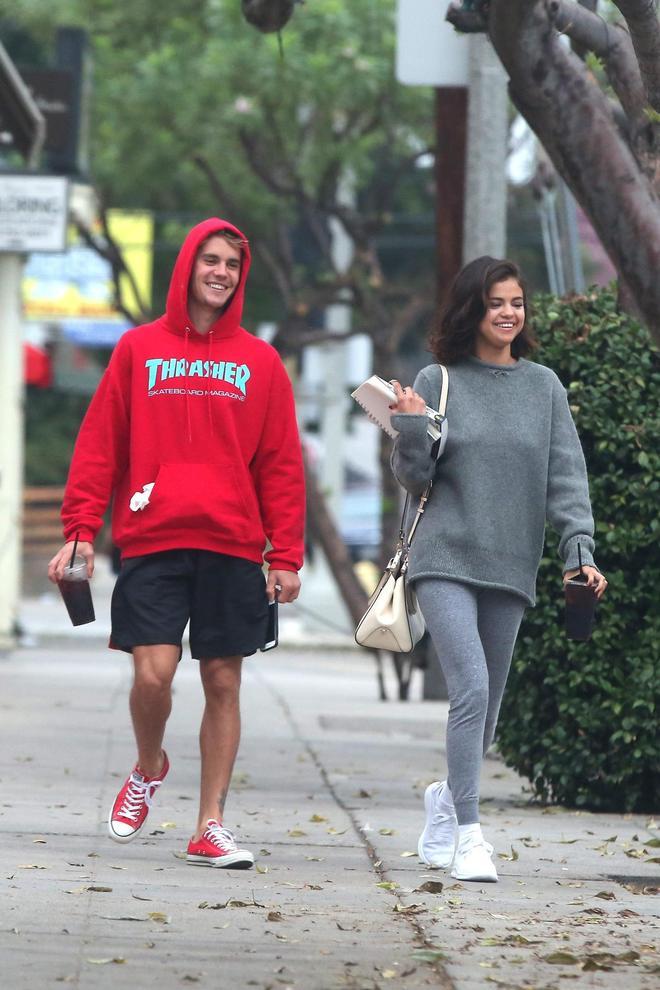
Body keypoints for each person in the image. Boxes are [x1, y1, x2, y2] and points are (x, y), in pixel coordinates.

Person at [48, 218, 305, 870]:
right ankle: (148, 764)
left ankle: (210, 824)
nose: (220, 272)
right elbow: (100, 446)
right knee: (152, 677)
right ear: (188, 265)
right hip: (154, 538)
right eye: (210, 260)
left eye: (231, 265)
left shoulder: (261, 361)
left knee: (223, 681)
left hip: (232, 545)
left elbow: (279, 463)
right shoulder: (137, 349)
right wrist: (79, 531)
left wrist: (286, 556)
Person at [389, 256, 607, 883]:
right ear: (472, 311)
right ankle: (469, 834)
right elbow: (413, 478)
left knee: (487, 712)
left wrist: (579, 551)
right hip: (444, 554)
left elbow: (567, 477)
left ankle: (443, 800)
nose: (509, 312)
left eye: (516, 302)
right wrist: (409, 427)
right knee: (472, 690)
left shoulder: (543, 386)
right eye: (495, 303)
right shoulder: (439, 379)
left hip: (511, 560)